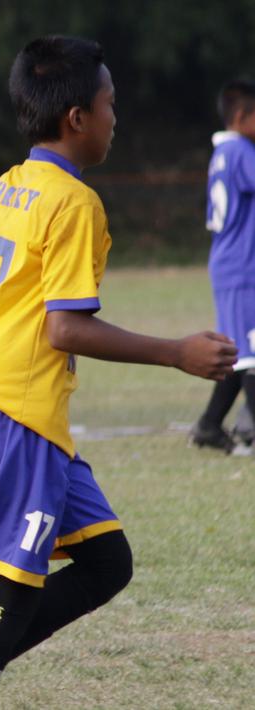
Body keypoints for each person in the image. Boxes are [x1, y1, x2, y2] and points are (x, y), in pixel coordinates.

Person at [0, 36, 236, 709]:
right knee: (7, 598)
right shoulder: (72, 204)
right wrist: (175, 352)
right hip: (16, 417)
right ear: (76, 118)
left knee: (104, 561)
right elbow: (65, 327)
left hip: (2, 408)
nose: (116, 117)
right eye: (109, 103)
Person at [190, 78, 255, 453]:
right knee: (249, 351)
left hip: (234, 264)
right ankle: (248, 425)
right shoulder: (241, 152)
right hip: (241, 266)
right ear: (242, 116)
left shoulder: (225, 152)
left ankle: (210, 425)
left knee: (238, 349)